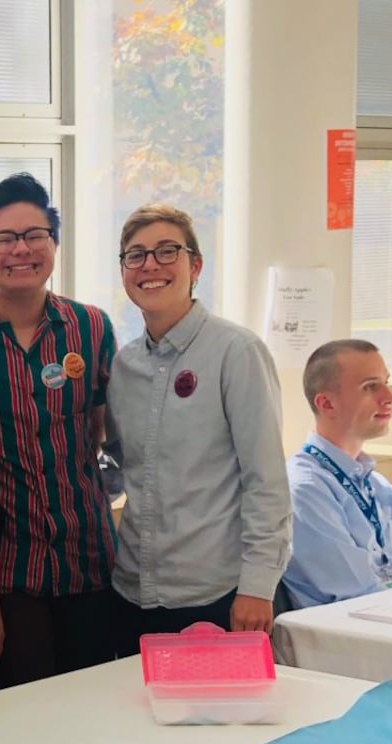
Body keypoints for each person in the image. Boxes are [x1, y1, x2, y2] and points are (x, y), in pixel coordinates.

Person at [0, 173, 120, 687]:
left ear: (54, 246)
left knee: (91, 709)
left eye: (35, 235)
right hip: (7, 571)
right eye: (3, 239)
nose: (21, 249)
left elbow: (101, 428)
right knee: (21, 720)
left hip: (89, 559)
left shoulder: (91, 327)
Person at [106, 204, 290, 647]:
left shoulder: (236, 352)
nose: (150, 265)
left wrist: (257, 586)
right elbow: (118, 465)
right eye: (136, 255)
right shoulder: (124, 365)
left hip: (219, 594)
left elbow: (266, 481)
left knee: (223, 716)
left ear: (196, 266)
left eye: (167, 251)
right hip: (134, 593)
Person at [282, 340, 392, 608]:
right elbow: (358, 596)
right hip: (353, 632)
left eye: (386, 382)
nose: (389, 397)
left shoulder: (377, 485)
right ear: (327, 404)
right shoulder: (304, 489)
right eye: (371, 387)